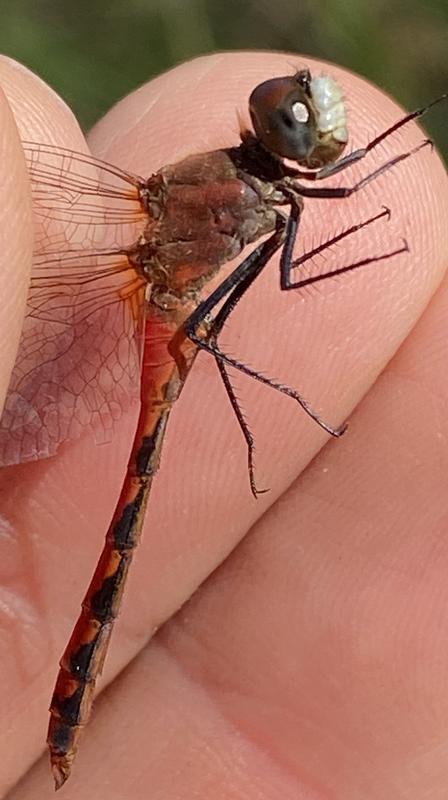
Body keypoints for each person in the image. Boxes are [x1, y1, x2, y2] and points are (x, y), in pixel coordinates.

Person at [0, 51, 448, 798]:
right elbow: (292, 273)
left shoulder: (258, 185)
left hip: (175, 308)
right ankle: (65, 719)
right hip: (164, 309)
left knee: (199, 339)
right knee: (190, 353)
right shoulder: (255, 191)